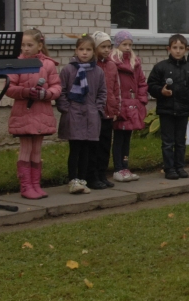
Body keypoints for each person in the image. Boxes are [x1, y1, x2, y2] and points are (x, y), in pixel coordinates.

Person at [4, 28, 61, 200]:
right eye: (23, 45)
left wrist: (46, 94)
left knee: (37, 149)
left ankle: (36, 184)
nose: (26, 48)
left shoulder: (48, 64)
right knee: (26, 148)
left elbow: (56, 86)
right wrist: (26, 91)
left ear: (39, 45)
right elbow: (9, 88)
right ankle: (26, 186)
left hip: (42, 112)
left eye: (30, 45)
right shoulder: (16, 63)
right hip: (24, 112)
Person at [148, 34, 189, 180]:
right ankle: (169, 168)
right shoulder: (160, 67)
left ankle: (180, 167)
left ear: (186, 49)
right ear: (169, 49)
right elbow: (151, 85)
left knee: (180, 141)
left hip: (183, 111)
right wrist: (161, 91)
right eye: (175, 48)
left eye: (181, 48)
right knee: (167, 142)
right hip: (166, 111)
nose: (178, 51)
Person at [57, 36, 108, 194]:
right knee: (75, 149)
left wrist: (98, 109)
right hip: (74, 114)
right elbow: (62, 91)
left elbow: (102, 93)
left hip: (91, 115)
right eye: (81, 49)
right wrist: (66, 108)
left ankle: (83, 179)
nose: (84, 53)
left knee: (87, 150)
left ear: (93, 52)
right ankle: (73, 179)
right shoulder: (68, 70)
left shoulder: (98, 71)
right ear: (76, 50)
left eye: (88, 50)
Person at [110, 31, 148, 182]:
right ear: (117, 44)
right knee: (119, 138)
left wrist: (142, 100)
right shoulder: (113, 62)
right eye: (124, 44)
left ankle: (125, 165)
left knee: (127, 138)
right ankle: (118, 167)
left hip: (133, 106)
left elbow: (142, 82)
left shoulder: (135, 62)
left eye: (130, 45)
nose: (127, 47)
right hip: (120, 105)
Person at [92, 31, 118, 189]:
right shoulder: (92, 65)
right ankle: (93, 175)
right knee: (94, 146)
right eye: (103, 47)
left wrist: (115, 109)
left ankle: (103, 174)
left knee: (105, 145)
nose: (107, 50)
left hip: (109, 111)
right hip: (95, 112)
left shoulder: (111, 65)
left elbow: (115, 88)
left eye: (109, 47)